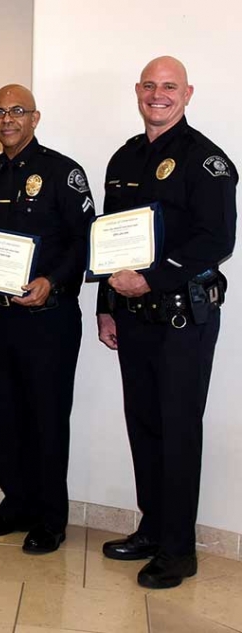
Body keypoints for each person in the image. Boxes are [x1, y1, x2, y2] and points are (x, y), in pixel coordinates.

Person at [96, 56, 236, 589]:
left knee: (177, 433)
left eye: (169, 87)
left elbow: (216, 242)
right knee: (145, 428)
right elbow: (109, 239)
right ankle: (153, 529)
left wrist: (153, 280)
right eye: (150, 86)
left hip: (182, 320)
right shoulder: (124, 159)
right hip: (133, 320)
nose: (159, 95)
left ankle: (179, 550)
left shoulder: (207, 161)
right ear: (137, 91)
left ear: (188, 93)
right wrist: (107, 304)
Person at [0, 84, 93, 554]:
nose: (7, 119)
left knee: (47, 417)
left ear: (35, 118)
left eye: (17, 111)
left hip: (48, 319)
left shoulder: (62, 172)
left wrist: (51, 281)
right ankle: (15, 505)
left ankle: (50, 518)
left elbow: (83, 242)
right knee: (8, 413)